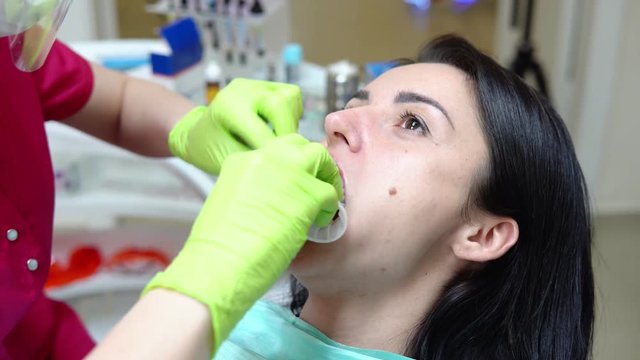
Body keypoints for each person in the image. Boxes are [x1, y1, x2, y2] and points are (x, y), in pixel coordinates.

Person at [88, 34, 594, 359]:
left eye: (413, 123)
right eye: (354, 105)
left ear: (482, 234)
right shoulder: (242, 326)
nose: (336, 123)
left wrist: (207, 273)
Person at [0, 1, 303, 358]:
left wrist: (194, 127)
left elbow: (120, 105)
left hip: (33, 331)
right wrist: (209, 270)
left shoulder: (10, 45)